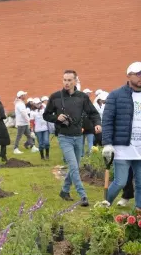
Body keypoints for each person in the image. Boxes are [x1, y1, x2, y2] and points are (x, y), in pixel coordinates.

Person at [44, 69, 101, 207]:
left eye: (70, 80)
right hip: (64, 137)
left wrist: (97, 124)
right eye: (64, 80)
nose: (67, 83)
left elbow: (93, 113)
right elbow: (46, 115)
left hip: (78, 137)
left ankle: (64, 191)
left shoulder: (82, 97)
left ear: (75, 81)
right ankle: (83, 195)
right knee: (74, 167)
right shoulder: (55, 97)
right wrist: (56, 118)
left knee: (74, 167)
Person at [101, 62, 141, 211]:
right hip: (122, 147)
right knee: (120, 181)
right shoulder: (116, 95)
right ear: (128, 75)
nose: (140, 77)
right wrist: (107, 143)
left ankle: (139, 214)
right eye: (138, 74)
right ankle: (105, 205)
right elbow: (107, 120)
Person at [0, 95, 10, 163]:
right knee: (3, 141)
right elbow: (3, 116)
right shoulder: (0, 106)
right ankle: (3, 156)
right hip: (0, 125)